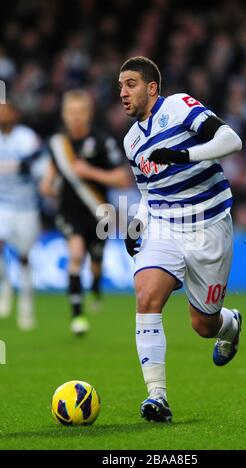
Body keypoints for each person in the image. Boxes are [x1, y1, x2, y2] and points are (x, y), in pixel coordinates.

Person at [119, 56, 243, 423]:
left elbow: (231, 140)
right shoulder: (130, 142)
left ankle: (230, 322)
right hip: (165, 227)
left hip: (209, 228)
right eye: (120, 86)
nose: (122, 93)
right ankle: (157, 396)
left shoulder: (179, 107)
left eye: (130, 84)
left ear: (152, 88)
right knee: (146, 295)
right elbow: (149, 190)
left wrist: (184, 153)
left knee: (203, 326)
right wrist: (138, 222)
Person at [40, 89, 131, 335]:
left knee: (95, 265)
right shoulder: (57, 144)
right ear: (64, 114)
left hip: (98, 213)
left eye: (80, 112)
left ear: (88, 114)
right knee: (76, 254)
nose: (76, 117)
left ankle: (96, 288)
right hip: (69, 212)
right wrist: (47, 186)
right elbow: (51, 175)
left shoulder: (102, 141)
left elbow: (123, 179)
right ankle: (77, 316)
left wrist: (90, 172)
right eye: (71, 112)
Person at [0, 100, 42, 330]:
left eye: (6, 110)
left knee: (24, 257)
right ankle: (5, 285)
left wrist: (29, 166)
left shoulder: (26, 137)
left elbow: (37, 165)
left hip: (26, 207)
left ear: (15, 114)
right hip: (2, 204)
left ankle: (26, 303)